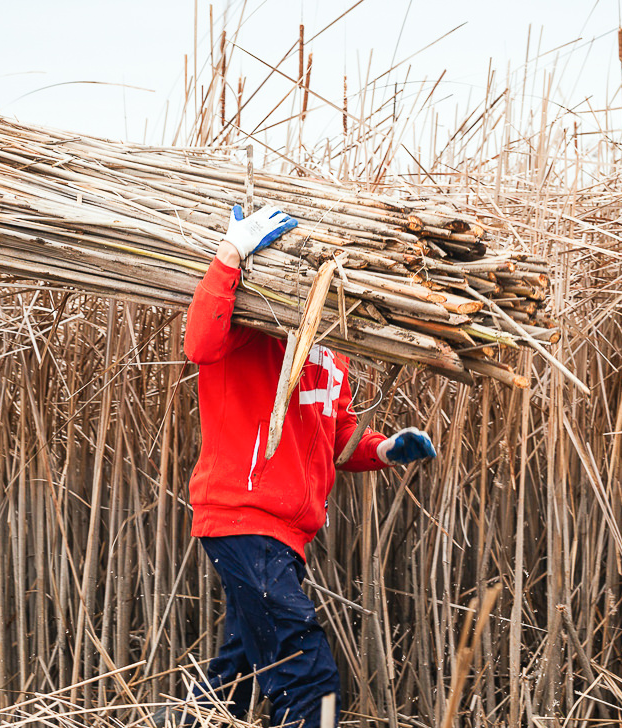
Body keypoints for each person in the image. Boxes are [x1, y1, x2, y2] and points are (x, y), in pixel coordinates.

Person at [177, 204, 436, 728]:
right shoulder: (255, 320)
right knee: (308, 678)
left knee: (233, 678)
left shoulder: (332, 349)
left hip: (285, 536)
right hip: (243, 517)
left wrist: (386, 449)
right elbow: (199, 342)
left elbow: (336, 435)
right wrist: (231, 253)